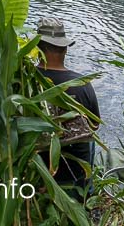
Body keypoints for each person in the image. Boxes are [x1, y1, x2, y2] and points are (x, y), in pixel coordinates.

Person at [36, 16, 100, 199]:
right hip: (74, 178)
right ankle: (88, 190)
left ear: (36, 48)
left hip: (36, 174)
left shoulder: (25, 81)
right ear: (65, 49)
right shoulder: (82, 85)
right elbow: (95, 125)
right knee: (90, 134)